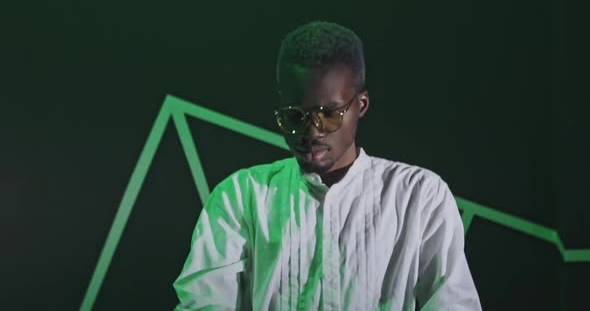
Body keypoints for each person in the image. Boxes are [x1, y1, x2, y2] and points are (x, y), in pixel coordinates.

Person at [173, 21, 482, 310]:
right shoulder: (242, 196)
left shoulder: (420, 196)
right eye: (295, 116)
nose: (312, 131)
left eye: (329, 114)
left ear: (360, 105)